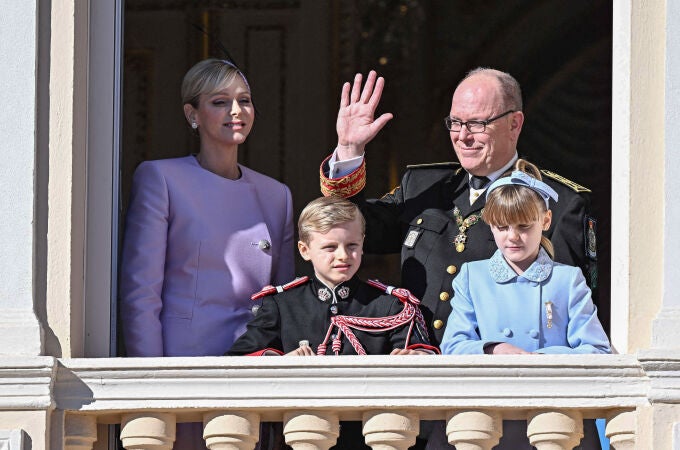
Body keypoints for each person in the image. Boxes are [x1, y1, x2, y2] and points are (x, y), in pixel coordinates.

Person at [318, 68, 600, 348]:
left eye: (477, 124)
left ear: (515, 123)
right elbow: (349, 229)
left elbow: (569, 311)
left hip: (495, 372)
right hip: (415, 364)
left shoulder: (555, 201)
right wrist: (349, 150)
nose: (462, 136)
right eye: (455, 122)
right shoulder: (421, 186)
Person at [120, 58, 295, 448]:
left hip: (254, 369)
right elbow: (140, 293)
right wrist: (151, 387)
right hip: (185, 369)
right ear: (192, 114)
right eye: (219, 101)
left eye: (245, 100)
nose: (237, 111)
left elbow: (285, 300)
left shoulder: (276, 195)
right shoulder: (161, 178)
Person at [228, 196, 438, 449]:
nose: (343, 255)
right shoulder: (282, 305)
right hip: (300, 436)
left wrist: (409, 361)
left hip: (371, 438)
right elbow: (238, 362)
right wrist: (279, 362)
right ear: (305, 250)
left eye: (352, 245)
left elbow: (422, 358)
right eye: (330, 247)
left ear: (363, 245)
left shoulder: (390, 305)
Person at [433, 159, 610, 449]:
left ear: (546, 221)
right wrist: (495, 348)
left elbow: (597, 350)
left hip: (554, 420)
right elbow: (453, 346)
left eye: (524, 226)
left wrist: (537, 360)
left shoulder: (567, 279)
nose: (512, 237)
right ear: (490, 225)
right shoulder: (472, 277)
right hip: (489, 421)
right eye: (502, 227)